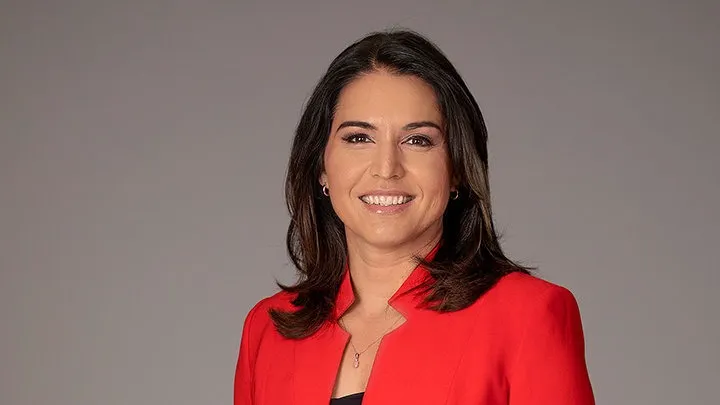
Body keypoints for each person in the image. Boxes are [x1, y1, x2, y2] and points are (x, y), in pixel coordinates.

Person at [234, 29, 595, 405]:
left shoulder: (528, 316)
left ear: (456, 169)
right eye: (359, 138)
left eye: (418, 140)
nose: (386, 168)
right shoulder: (267, 330)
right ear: (321, 166)